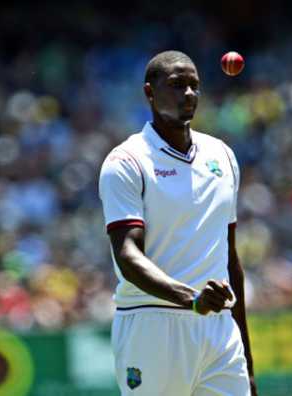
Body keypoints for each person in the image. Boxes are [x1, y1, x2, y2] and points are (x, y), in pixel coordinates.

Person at [99, 50, 256, 395]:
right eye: (176, 85)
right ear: (149, 93)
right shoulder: (126, 161)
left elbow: (230, 258)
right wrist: (192, 299)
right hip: (151, 323)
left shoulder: (222, 156)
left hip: (218, 329)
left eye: (194, 86)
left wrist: (247, 357)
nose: (188, 94)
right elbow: (128, 256)